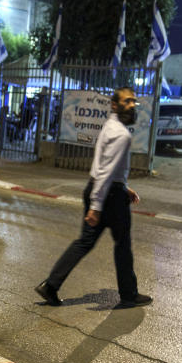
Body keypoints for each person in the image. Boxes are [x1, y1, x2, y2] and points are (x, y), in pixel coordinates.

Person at [35, 87, 151, 308]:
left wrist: (122, 188)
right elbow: (106, 170)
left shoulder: (109, 127)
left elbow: (103, 168)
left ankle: (50, 285)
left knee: (85, 242)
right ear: (114, 105)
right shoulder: (121, 134)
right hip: (109, 196)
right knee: (122, 243)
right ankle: (129, 294)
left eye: (134, 101)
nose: (132, 105)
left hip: (101, 189)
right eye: (127, 101)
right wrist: (97, 206)